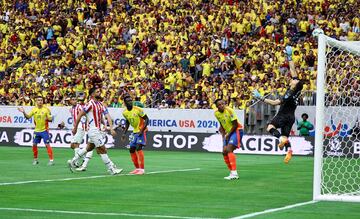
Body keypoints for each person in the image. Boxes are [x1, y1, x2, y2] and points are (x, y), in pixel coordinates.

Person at [252, 55, 304, 164]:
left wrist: (260, 97)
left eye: (295, 81)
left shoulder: (288, 95)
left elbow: (274, 103)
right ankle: (289, 150)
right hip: (291, 118)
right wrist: (289, 58)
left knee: (269, 127)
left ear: (295, 85)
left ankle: (281, 139)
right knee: (285, 137)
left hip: (283, 115)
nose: (293, 79)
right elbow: (293, 70)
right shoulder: (297, 90)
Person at [67, 87, 122, 175]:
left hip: (98, 130)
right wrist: (75, 128)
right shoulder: (89, 104)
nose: (99, 92)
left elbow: (107, 116)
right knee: (102, 149)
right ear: (92, 94)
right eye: (97, 92)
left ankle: (72, 161)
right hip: (93, 130)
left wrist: (111, 128)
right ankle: (111, 169)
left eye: (99, 91)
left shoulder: (100, 104)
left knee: (88, 148)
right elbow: (79, 116)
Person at [18, 96, 54, 166]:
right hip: (36, 131)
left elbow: (51, 119)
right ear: (36, 102)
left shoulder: (46, 109)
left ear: (43, 101)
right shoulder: (34, 109)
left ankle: (51, 160)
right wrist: (23, 112)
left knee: (47, 145)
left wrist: (48, 118)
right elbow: (28, 117)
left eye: (41, 100)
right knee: (34, 144)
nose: (40, 102)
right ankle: (35, 159)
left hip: (44, 130)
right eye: (38, 100)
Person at [214, 99, 243, 180]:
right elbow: (221, 124)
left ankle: (234, 173)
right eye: (219, 105)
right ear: (217, 106)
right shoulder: (216, 113)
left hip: (237, 130)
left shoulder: (229, 110)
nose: (222, 105)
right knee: (224, 152)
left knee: (229, 149)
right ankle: (232, 172)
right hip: (228, 132)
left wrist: (228, 134)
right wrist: (223, 135)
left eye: (223, 104)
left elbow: (235, 125)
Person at [122, 95, 149, 175]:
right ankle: (137, 168)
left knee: (138, 147)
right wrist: (124, 133)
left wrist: (142, 130)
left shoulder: (138, 110)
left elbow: (147, 119)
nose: (130, 102)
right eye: (128, 101)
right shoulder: (125, 112)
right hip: (134, 132)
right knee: (131, 149)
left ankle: (142, 169)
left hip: (141, 131)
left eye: (131, 100)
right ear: (125, 103)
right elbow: (127, 122)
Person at [68, 94, 94, 171]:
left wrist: (84, 125)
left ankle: (76, 162)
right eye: (73, 99)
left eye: (75, 99)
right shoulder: (72, 109)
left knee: (76, 144)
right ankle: (83, 157)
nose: (74, 101)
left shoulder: (79, 107)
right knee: (72, 145)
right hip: (76, 127)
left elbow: (85, 115)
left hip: (80, 127)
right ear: (70, 101)